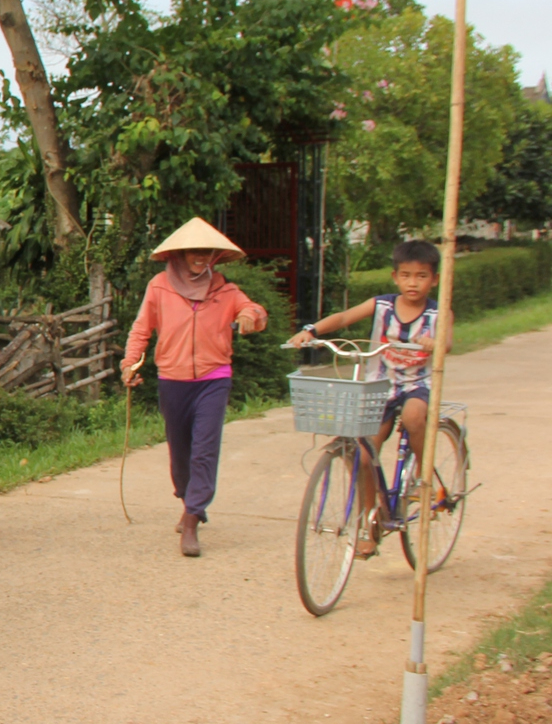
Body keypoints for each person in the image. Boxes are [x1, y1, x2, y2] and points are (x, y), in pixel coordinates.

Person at [286, 239, 451, 558]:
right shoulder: (382, 306)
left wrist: (435, 342)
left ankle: (423, 478)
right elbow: (344, 318)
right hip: (379, 387)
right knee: (359, 453)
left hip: (416, 385)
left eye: (421, 276)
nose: (412, 282)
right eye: (406, 275)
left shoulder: (438, 313)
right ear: (394, 277)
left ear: (434, 279)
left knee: (416, 416)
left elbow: (448, 342)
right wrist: (312, 331)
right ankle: (369, 522)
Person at [120, 217, 269, 557]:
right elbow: (141, 329)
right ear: (181, 254)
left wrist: (250, 317)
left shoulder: (225, 290)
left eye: (208, 254)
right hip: (172, 380)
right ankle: (189, 500)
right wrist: (129, 363)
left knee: (204, 449)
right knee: (180, 452)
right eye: (195, 253)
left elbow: (253, 309)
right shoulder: (159, 287)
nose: (202, 259)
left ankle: (191, 521)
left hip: (213, 380)